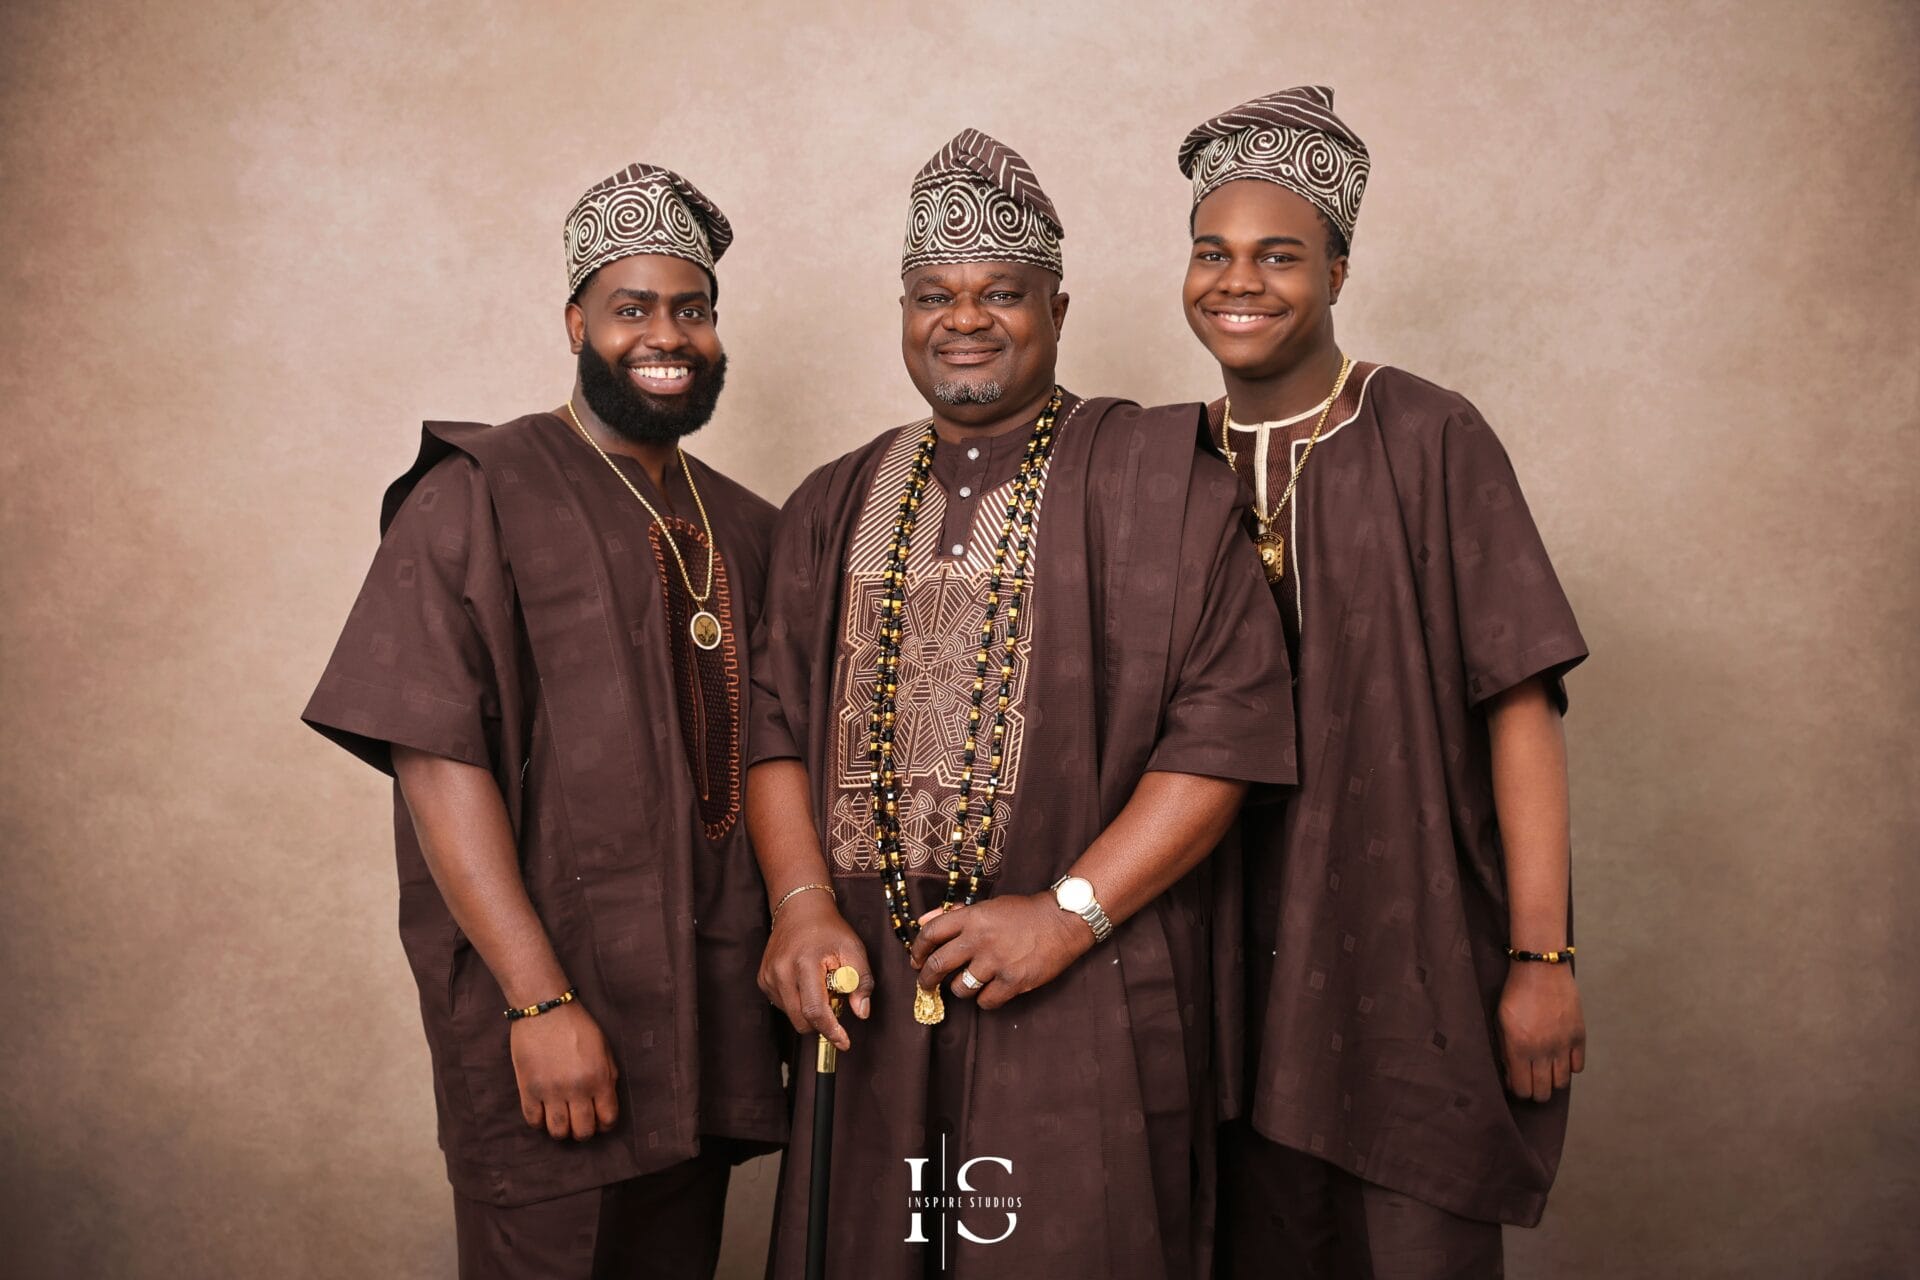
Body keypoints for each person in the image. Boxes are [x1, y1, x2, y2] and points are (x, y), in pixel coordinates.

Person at [746, 128, 1295, 1279]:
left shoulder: (1158, 479)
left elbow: (1227, 728)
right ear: (902, 311)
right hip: (875, 1004)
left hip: (1085, 989)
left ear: (1058, 306)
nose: (965, 316)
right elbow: (775, 729)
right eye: (933, 292)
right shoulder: (831, 500)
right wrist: (801, 906)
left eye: (1002, 290)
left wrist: (1068, 911)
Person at [301, 162, 785, 1279]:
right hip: (554, 1014)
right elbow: (433, 752)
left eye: (693, 309)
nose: (667, 334)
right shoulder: (480, 488)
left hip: (705, 1022)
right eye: (632, 308)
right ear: (576, 320)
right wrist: (539, 999)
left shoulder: (752, 526)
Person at [1176, 86, 1590, 1278]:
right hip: (1217, 970)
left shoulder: (1427, 435)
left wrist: (1542, 957)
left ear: (1340, 271)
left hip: (1410, 957)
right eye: (1213, 252)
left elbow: (1520, 704)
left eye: (1279, 255)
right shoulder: (1164, 460)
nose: (1238, 281)